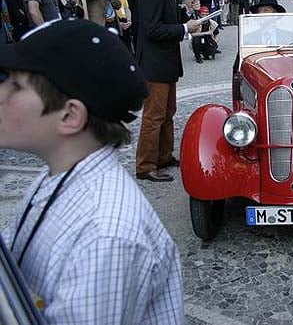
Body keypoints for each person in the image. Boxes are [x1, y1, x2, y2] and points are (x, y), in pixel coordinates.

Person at [0, 19, 183, 324]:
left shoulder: (104, 237)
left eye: (15, 85)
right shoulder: (55, 176)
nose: (1, 93)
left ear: (70, 116)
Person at [135, 0, 202, 182]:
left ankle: (163, 157)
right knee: (153, 117)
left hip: (165, 63)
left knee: (167, 113)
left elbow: (167, 17)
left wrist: (185, 12)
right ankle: (145, 166)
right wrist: (184, 28)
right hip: (154, 64)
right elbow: (152, 29)